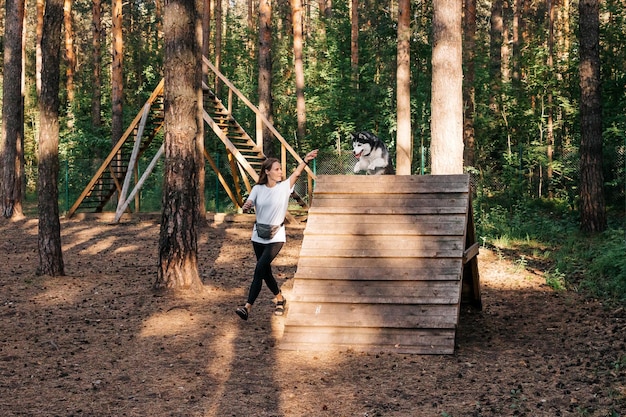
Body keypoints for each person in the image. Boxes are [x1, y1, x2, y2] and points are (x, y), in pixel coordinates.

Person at [236, 149, 319, 320]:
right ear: (267, 172)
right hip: (258, 235)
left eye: (280, 169)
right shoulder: (258, 188)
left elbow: (296, 173)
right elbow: (250, 201)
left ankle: (247, 307)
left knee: (259, 269)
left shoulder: (284, 187)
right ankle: (280, 299)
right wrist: (247, 205)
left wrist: (305, 160)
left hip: (276, 237)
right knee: (265, 272)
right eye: (276, 169)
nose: (280, 172)